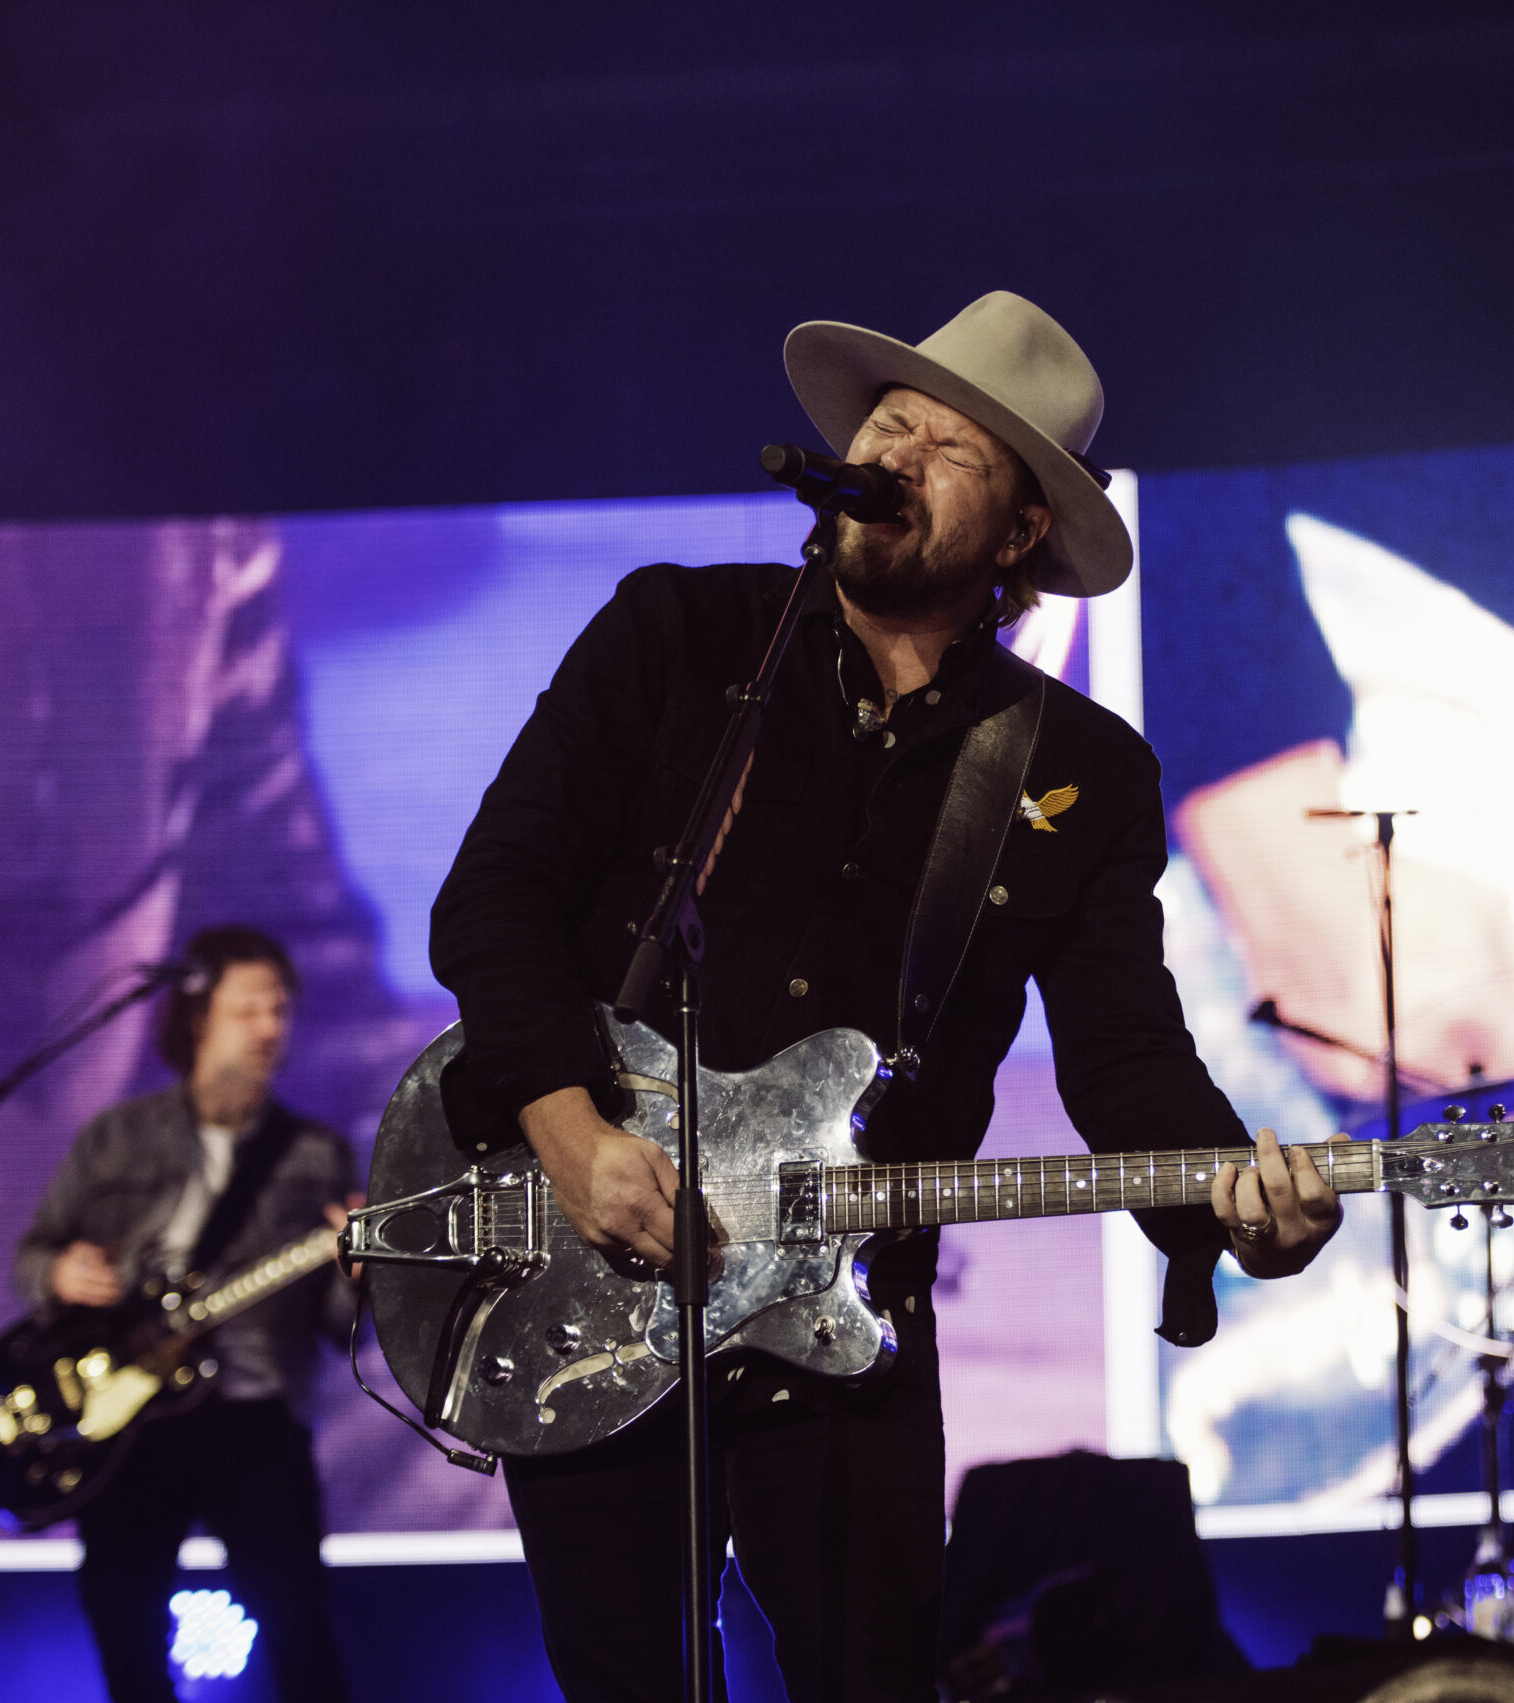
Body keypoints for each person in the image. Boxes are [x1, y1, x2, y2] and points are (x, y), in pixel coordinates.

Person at [430, 291, 1344, 1702]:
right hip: (603, 1278)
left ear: (1022, 529)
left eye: (948, 446)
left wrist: (1237, 1206)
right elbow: (494, 894)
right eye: (888, 423)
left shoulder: (1077, 769)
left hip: (850, 1310)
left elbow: (1123, 1056)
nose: (894, 453)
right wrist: (569, 1131)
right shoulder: (679, 634)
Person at [14, 924, 359, 1703]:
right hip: (129, 1419)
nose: (270, 1027)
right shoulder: (115, 1137)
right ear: (198, 1017)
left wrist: (357, 1279)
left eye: (280, 1009)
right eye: (249, 1008)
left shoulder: (314, 1153)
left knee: (298, 1627)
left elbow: (340, 1328)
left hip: (253, 1413)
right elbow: (33, 1254)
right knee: (124, 1621)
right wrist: (58, 1271)